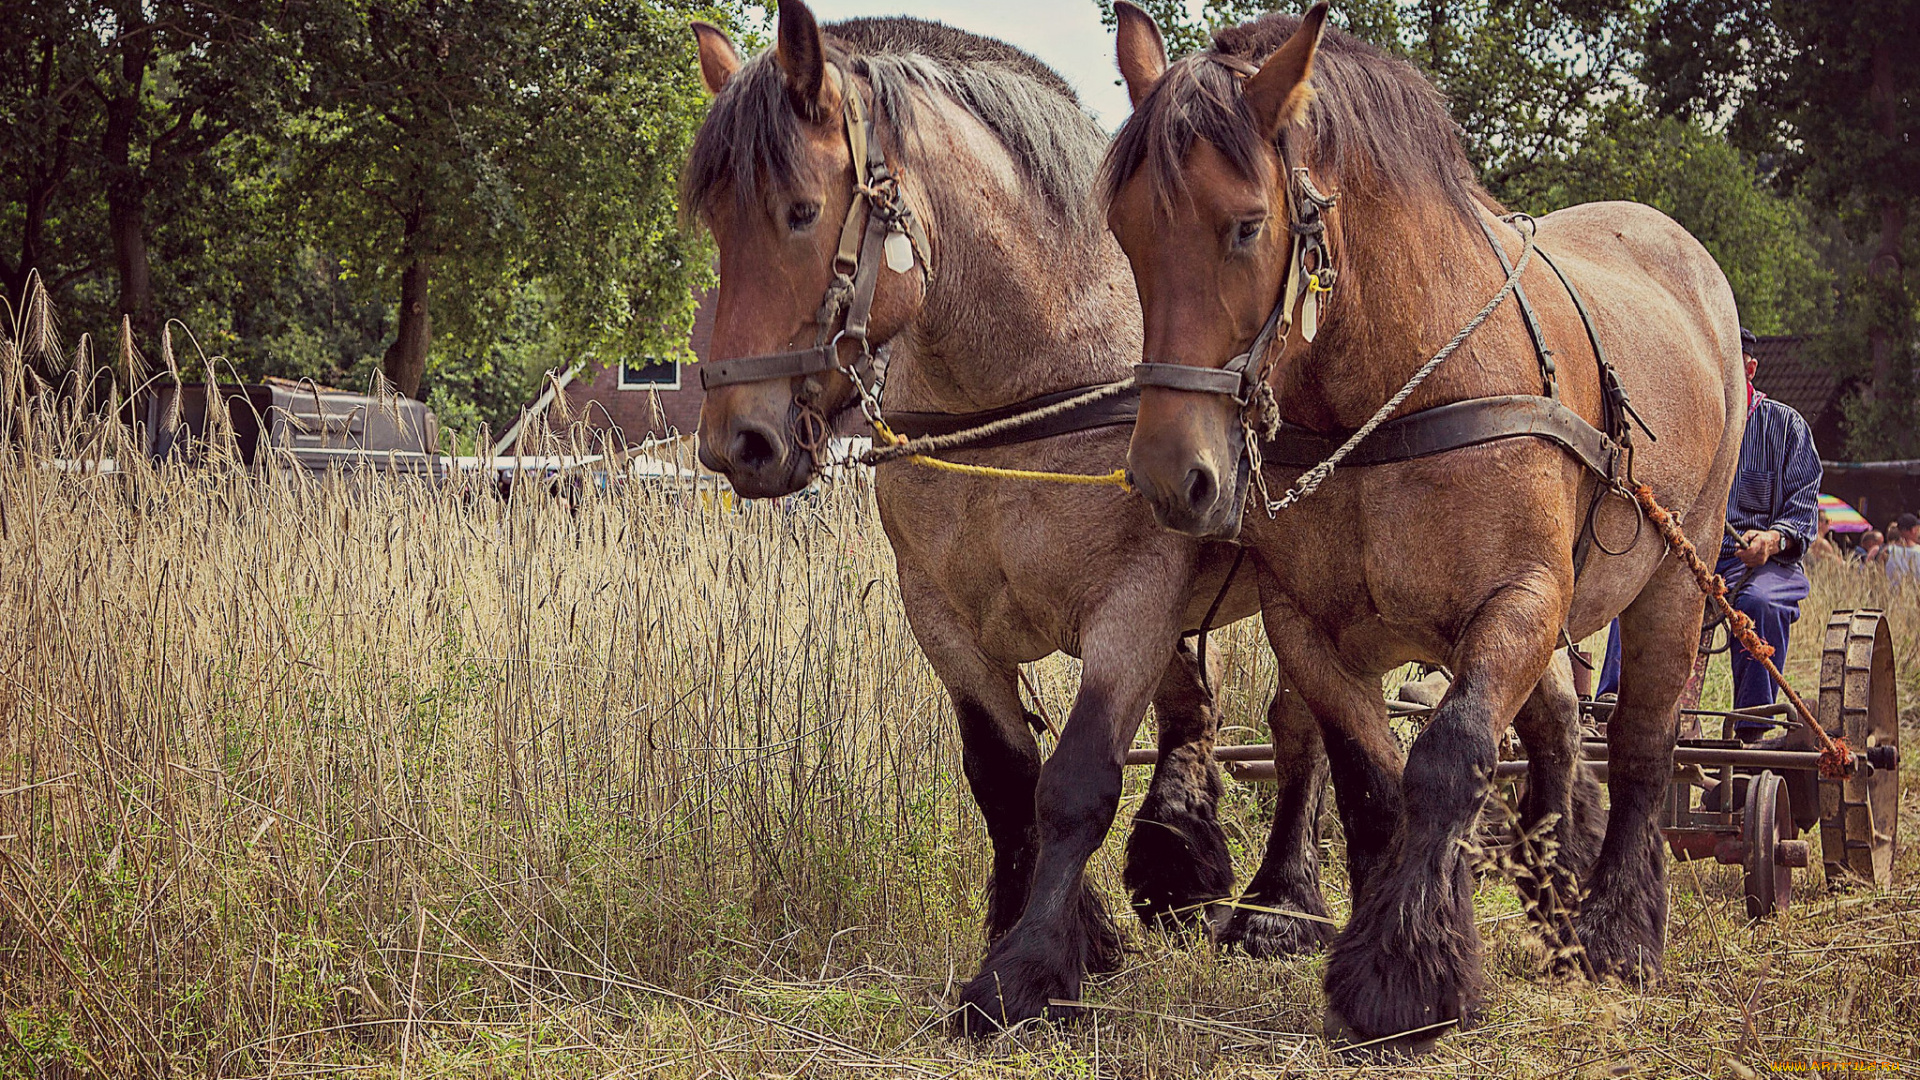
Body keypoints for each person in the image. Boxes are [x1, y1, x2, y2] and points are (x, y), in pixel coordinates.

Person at [1599, 327, 1821, 740]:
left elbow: (1803, 511)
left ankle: (1753, 727)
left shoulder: (1787, 428)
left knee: (1760, 602)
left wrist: (1771, 540)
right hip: (1689, 558)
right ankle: (1612, 708)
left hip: (1760, 565)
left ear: (1748, 369)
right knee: (1636, 589)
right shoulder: (1677, 428)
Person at [1884, 513, 1920, 585]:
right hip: (1913, 593)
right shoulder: (1918, 551)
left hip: (1890, 593)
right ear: (1913, 530)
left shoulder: (1887, 550)